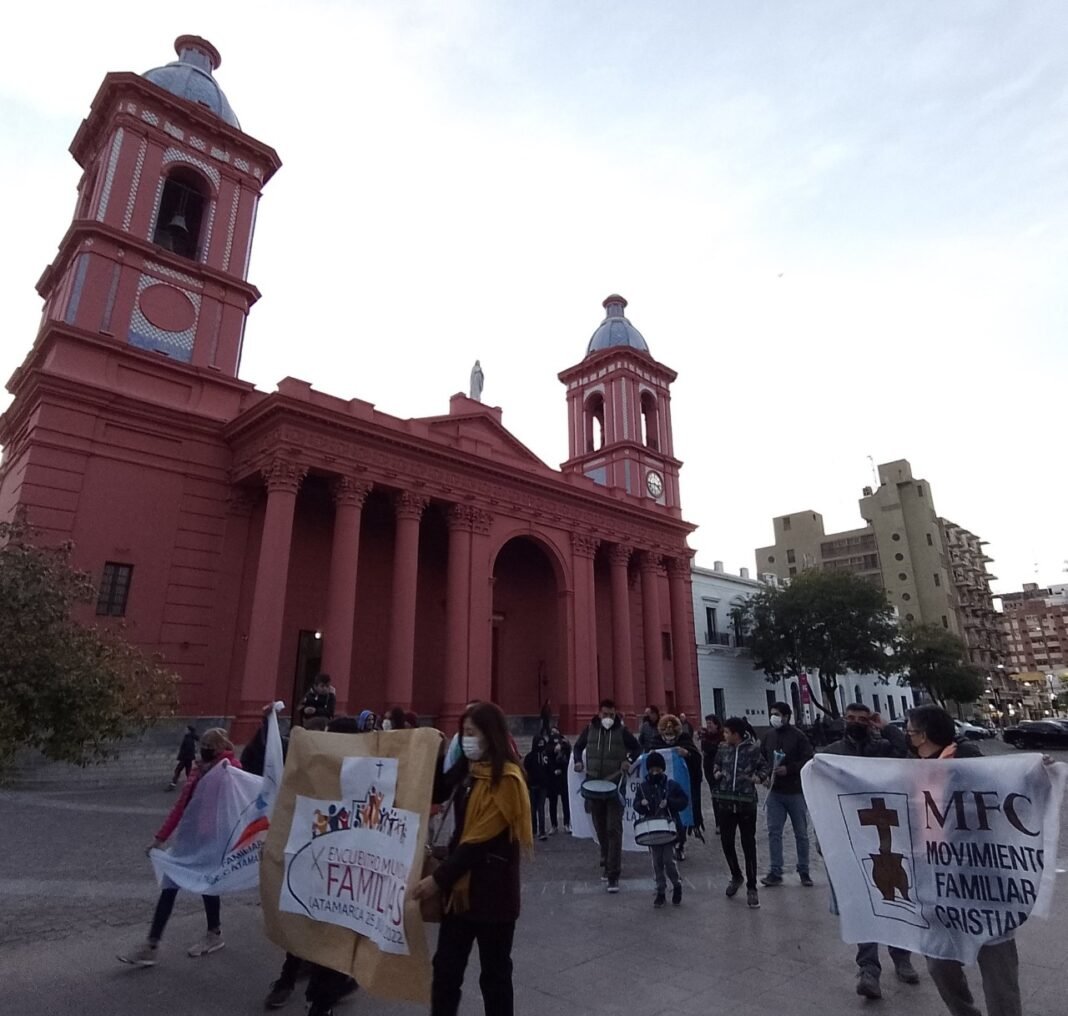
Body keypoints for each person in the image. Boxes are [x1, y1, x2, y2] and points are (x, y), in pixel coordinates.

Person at [412, 702, 532, 1016]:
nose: (464, 739)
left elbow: (478, 843)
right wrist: (432, 750)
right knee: (446, 971)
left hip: (494, 897)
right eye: (462, 733)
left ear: (489, 735)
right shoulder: (467, 771)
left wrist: (436, 880)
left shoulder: (507, 780)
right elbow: (436, 791)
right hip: (461, 898)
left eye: (470, 733)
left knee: (494, 977)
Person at [906, 705, 1022, 1016]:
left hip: (984, 881)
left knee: (998, 970)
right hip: (940, 883)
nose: (908, 736)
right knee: (939, 964)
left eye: (912, 731)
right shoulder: (914, 768)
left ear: (926, 734)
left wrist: (1038, 770)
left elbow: (1002, 789)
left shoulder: (966, 757)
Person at [822, 702, 919, 999]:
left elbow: (909, 756)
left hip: (887, 834)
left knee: (893, 894)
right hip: (851, 834)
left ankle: (902, 958)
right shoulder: (832, 751)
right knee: (862, 902)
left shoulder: (884, 747)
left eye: (861, 719)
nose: (855, 723)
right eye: (850, 718)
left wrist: (885, 726)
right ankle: (868, 970)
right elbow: (820, 790)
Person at [118, 729, 240, 966]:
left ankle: (213, 934)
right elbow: (181, 806)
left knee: (208, 886)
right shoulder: (196, 770)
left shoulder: (230, 769)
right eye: (201, 744)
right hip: (190, 838)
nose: (203, 748)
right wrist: (160, 838)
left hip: (213, 840)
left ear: (219, 747)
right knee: (170, 885)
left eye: (208, 745)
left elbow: (239, 798)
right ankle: (151, 945)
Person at [573, 699, 640, 893]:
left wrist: (628, 761)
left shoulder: (623, 732)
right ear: (599, 713)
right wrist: (578, 761)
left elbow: (637, 748)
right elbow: (578, 747)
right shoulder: (590, 729)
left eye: (611, 715)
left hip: (614, 785)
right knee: (599, 825)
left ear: (615, 714)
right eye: (605, 714)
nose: (608, 718)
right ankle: (605, 854)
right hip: (593, 785)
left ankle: (613, 874)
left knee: (613, 828)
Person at [711, 717, 768, 909]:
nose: (724, 735)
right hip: (726, 801)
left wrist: (758, 778)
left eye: (727, 732)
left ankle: (752, 886)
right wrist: (717, 772)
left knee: (748, 844)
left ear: (736, 734)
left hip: (746, 802)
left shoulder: (753, 750)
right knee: (727, 842)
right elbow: (716, 764)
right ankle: (736, 875)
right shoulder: (723, 748)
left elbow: (764, 768)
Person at [760, 701, 814, 887]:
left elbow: (808, 759)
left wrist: (790, 769)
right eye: (772, 713)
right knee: (774, 832)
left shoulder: (798, 736)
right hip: (775, 792)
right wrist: (764, 776)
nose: (773, 717)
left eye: (776, 713)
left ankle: (804, 870)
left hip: (795, 791)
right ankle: (775, 870)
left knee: (801, 833)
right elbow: (762, 760)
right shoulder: (768, 736)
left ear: (786, 716)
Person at [634, 751, 689, 907]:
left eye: (658, 770)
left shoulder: (671, 785)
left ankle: (676, 884)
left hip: (669, 828)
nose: (655, 773)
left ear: (663, 770)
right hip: (651, 829)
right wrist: (641, 805)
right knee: (657, 862)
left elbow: (684, 800)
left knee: (668, 860)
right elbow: (637, 804)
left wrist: (670, 802)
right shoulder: (643, 787)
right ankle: (660, 890)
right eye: (652, 770)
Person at [648, 713, 703, 860]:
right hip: (661, 788)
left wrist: (687, 754)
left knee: (680, 815)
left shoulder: (684, 740)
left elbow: (697, 759)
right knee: (662, 815)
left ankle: (680, 844)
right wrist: (651, 756)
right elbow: (647, 761)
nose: (668, 733)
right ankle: (667, 843)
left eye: (671, 731)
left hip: (680, 786)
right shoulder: (656, 741)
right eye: (666, 731)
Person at [699, 714, 724, 834]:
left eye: (710, 723)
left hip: (722, 770)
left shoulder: (723, 736)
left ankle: (726, 821)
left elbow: (719, 750)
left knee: (723, 796)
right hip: (709, 770)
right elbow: (707, 750)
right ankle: (719, 823)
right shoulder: (705, 737)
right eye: (707, 723)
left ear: (716, 724)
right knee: (715, 795)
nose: (708, 725)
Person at [523, 735, 551, 841]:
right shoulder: (530, 757)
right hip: (533, 785)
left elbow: (549, 769)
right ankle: (533, 830)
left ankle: (542, 830)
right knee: (533, 809)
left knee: (541, 808)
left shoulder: (545, 756)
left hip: (543, 785)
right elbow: (526, 770)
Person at [546, 729, 572, 833]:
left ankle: (567, 823)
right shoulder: (549, 746)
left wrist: (562, 746)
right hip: (553, 778)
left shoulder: (564, 743)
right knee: (553, 802)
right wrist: (554, 750)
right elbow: (547, 755)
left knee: (565, 801)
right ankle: (553, 825)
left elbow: (569, 752)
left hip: (564, 777)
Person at [168, 724, 198, 790]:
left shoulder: (188, 738)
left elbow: (188, 748)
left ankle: (173, 784)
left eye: (186, 729)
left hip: (185, 758)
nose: (185, 730)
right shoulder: (190, 737)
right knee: (187, 772)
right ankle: (190, 785)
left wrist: (182, 757)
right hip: (188, 758)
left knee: (178, 770)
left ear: (189, 731)